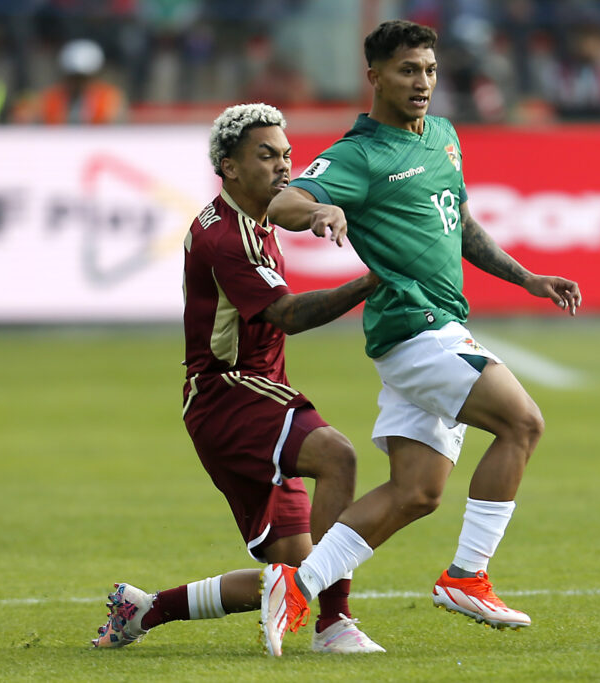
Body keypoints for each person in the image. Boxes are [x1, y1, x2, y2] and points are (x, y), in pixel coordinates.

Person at [262, 20, 582, 657]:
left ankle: (296, 588)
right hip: (416, 327)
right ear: (376, 77)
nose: (423, 82)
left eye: (430, 70)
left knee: (417, 492)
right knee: (522, 423)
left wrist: (526, 277)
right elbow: (282, 203)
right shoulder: (359, 155)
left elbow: (460, 223)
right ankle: (467, 576)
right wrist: (323, 208)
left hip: (435, 329)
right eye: (408, 70)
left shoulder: (443, 136)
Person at [90, 103, 385, 655]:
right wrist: (371, 281)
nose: (283, 166)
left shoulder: (239, 216)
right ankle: (334, 624)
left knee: (294, 569)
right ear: (229, 167)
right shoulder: (230, 238)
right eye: (266, 155)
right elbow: (289, 315)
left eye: (287, 155)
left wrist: (323, 209)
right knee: (338, 457)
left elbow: (294, 212)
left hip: (235, 396)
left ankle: (146, 609)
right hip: (230, 393)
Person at [11, 38, 125, 124]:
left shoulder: (109, 97)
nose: (79, 83)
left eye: (84, 78)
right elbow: (30, 115)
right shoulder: (53, 97)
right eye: (74, 77)